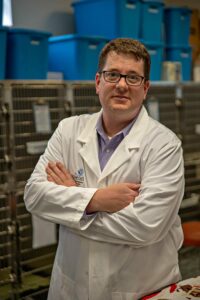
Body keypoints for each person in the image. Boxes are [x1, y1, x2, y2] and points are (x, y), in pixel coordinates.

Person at [24, 38, 185, 300]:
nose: (122, 85)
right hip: (71, 286)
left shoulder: (164, 145)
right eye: (113, 75)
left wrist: (72, 205)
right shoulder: (68, 130)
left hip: (139, 289)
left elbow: (145, 227)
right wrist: (97, 199)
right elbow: (34, 196)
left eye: (133, 77)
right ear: (98, 82)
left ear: (145, 88)